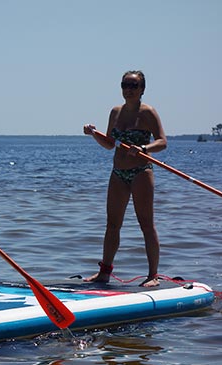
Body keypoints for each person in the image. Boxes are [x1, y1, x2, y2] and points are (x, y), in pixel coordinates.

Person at [82, 70, 167, 287]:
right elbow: (110, 143)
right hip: (118, 174)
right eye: (125, 85)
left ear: (142, 89)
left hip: (141, 172)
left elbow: (162, 142)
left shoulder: (148, 112)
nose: (128, 89)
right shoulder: (116, 112)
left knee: (146, 224)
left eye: (133, 85)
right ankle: (104, 272)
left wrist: (143, 148)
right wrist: (94, 134)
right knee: (112, 224)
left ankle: (153, 276)